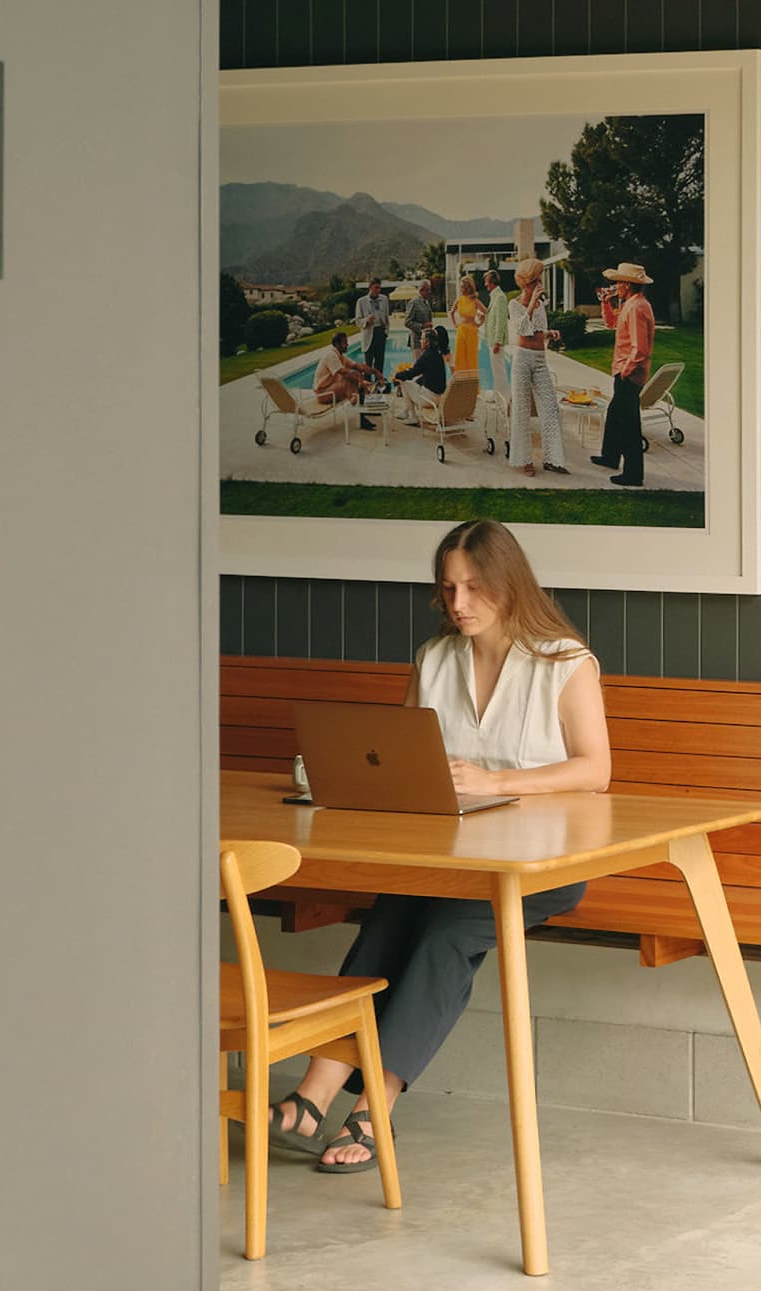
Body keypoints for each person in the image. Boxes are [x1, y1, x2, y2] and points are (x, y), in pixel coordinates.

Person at [267, 520, 611, 1172]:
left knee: (446, 932)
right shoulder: (434, 659)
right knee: (392, 915)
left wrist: (496, 782)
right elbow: (401, 753)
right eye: (449, 588)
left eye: (474, 587)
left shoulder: (565, 663)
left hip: (543, 861)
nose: (459, 603)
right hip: (446, 855)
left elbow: (596, 770)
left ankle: (375, 1107)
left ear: (510, 584)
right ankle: (314, 1092)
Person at [588, 262, 656, 486]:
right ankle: (610, 457)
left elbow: (640, 348)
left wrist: (626, 371)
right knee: (615, 415)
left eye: (618, 282)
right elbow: (611, 323)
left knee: (629, 425)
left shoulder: (637, 308)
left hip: (630, 373)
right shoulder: (630, 304)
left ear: (627, 284)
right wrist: (605, 302)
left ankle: (633, 475)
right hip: (624, 370)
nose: (615, 286)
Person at [506, 257, 568, 477]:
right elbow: (522, 329)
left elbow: (537, 331)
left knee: (551, 409)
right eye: (537, 280)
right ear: (527, 282)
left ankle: (553, 459)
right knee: (521, 411)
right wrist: (531, 302)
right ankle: (525, 461)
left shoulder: (541, 305)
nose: (540, 284)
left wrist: (549, 334)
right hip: (522, 359)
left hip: (540, 359)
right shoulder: (514, 305)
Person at [310, 330, 382, 429]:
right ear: (337, 344)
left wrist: (376, 372)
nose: (347, 344)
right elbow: (344, 372)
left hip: (331, 389)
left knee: (355, 377)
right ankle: (361, 415)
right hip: (322, 393)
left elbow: (358, 366)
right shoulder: (331, 356)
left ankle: (363, 409)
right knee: (348, 379)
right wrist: (361, 381)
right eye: (345, 342)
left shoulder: (340, 356)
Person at [392, 325, 450, 423]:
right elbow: (428, 375)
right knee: (413, 382)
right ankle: (406, 411)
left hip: (430, 399)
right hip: (440, 397)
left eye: (422, 339)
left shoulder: (426, 356)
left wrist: (396, 375)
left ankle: (413, 416)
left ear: (427, 342)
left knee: (404, 382)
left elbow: (411, 373)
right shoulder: (438, 354)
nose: (420, 341)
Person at [354, 281, 393, 389]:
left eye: (379, 288)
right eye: (376, 288)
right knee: (368, 362)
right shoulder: (361, 301)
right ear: (370, 287)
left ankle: (378, 384)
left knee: (380, 361)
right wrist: (366, 320)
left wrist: (386, 332)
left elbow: (387, 317)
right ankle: (368, 385)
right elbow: (357, 321)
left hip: (381, 332)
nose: (378, 290)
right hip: (368, 333)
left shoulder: (384, 299)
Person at [451, 275, 484, 375]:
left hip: (472, 331)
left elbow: (486, 312)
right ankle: (460, 382)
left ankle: (472, 382)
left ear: (469, 288)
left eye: (463, 287)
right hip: (461, 330)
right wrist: (455, 324)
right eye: (461, 287)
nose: (461, 289)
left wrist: (480, 323)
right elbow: (452, 312)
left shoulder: (475, 301)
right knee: (459, 357)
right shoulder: (459, 300)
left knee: (471, 358)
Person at [404, 279, 436, 357]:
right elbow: (407, 322)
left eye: (430, 289)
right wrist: (422, 326)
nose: (429, 292)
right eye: (427, 290)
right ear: (421, 290)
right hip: (417, 342)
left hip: (426, 342)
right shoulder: (414, 302)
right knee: (419, 364)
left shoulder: (426, 302)